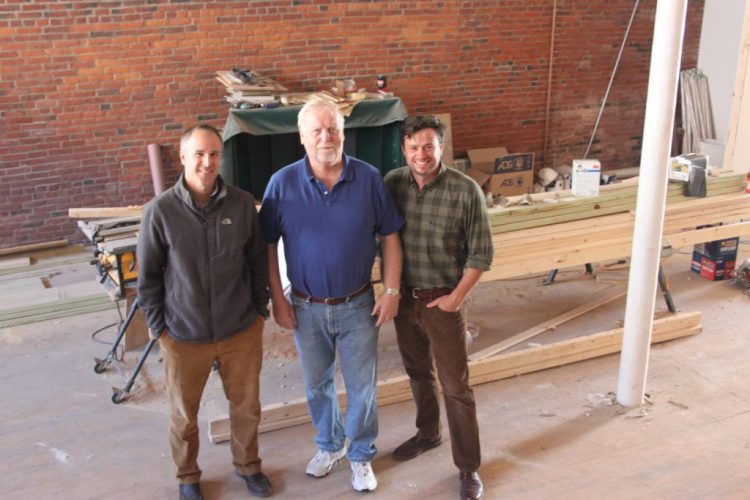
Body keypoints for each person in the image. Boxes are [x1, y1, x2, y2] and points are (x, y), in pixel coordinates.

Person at [259, 98, 403, 493]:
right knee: (316, 384)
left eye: (333, 128)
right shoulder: (281, 184)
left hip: (359, 304)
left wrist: (391, 289)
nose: (326, 137)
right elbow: (267, 246)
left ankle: (360, 455)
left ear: (343, 132)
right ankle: (329, 445)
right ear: (302, 137)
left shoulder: (369, 178)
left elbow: (390, 234)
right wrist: (278, 299)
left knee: (362, 387)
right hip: (305, 307)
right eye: (317, 130)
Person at [137, 124, 272, 500]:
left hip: (240, 329)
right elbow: (147, 278)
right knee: (183, 417)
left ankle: (248, 467)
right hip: (183, 335)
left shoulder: (243, 204)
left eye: (213, 154)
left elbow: (257, 259)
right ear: (182, 158)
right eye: (198, 154)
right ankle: (188, 476)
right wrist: (159, 329)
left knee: (246, 408)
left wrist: (259, 310)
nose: (206, 162)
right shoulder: (159, 212)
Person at [384, 115, 494, 500]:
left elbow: (482, 254)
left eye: (428, 146)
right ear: (404, 149)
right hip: (404, 297)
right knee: (417, 372)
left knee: (455, 386)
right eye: (413, 147)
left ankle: (468, 467)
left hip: (443, 300)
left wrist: (455, 299)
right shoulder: (392, 183)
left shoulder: (465, 191)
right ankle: (428, 433)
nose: (421, 155)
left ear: (441, 147)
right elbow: (382, 237)